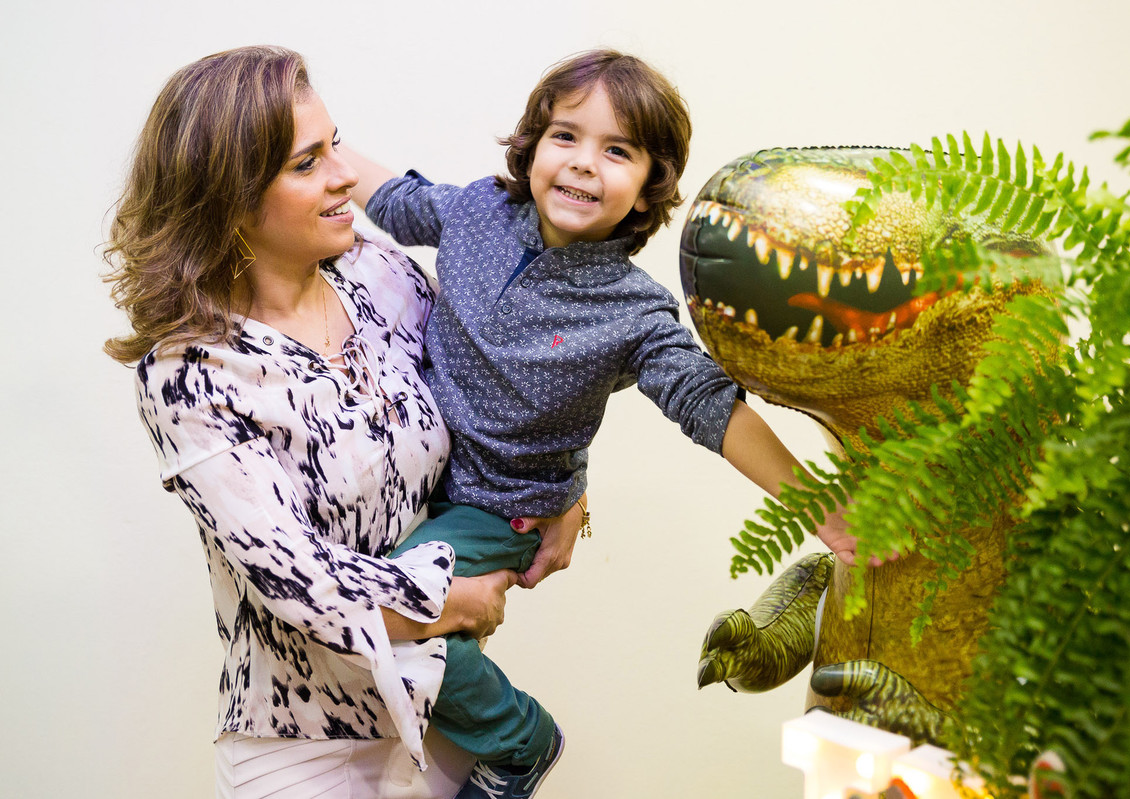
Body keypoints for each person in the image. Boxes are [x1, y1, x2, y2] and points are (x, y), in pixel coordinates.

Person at [345, 49, 871, 799]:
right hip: (420, 485)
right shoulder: (475, 214)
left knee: (390, 614)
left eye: (617, 150)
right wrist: (319, 147)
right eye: (566, 136)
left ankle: (521, 739)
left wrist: (819, 504)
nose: (585, 164)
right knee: (400, 630)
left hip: (503, 508)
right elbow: (394, 196)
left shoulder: (633, 307)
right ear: (532, 146)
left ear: (650, 184)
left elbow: (709, 404)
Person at [103, 45, 543, 799]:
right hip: (300, 747)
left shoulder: (381, 277)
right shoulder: (190, 375)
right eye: (307, 163)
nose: (346, 176)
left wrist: (567, 495)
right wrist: (450, 597)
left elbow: (491, 390)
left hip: (437, 718)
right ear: (230, 199)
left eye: (334, 144)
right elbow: (300, 584)